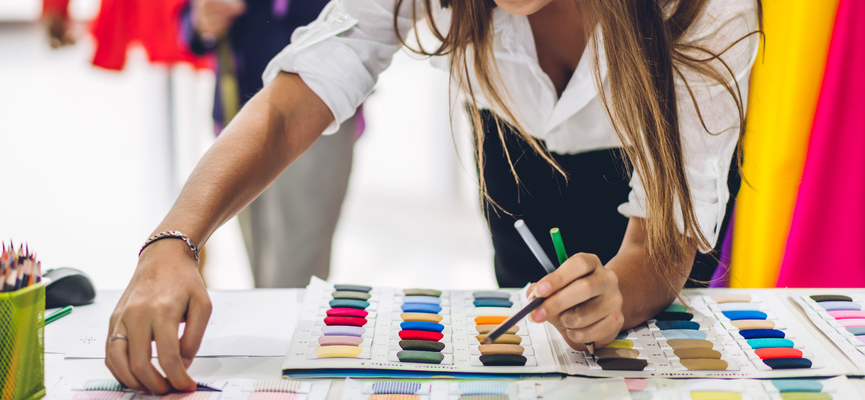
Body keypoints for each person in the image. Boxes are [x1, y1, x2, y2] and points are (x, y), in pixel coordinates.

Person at [104, 0, 760, 393]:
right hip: (520, 182)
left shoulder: (707, 9)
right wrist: (173, 241)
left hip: (654, 249)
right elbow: (291, 105)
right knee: (532, 361)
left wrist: (618, 292)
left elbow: (663, 237)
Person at [180, 0, 361, 288]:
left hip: (316, 106)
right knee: (262, 272)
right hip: (239, 102)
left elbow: (366, 19)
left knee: (294, 276)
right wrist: (201, 18)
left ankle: (292, 332)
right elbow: (188, 18)